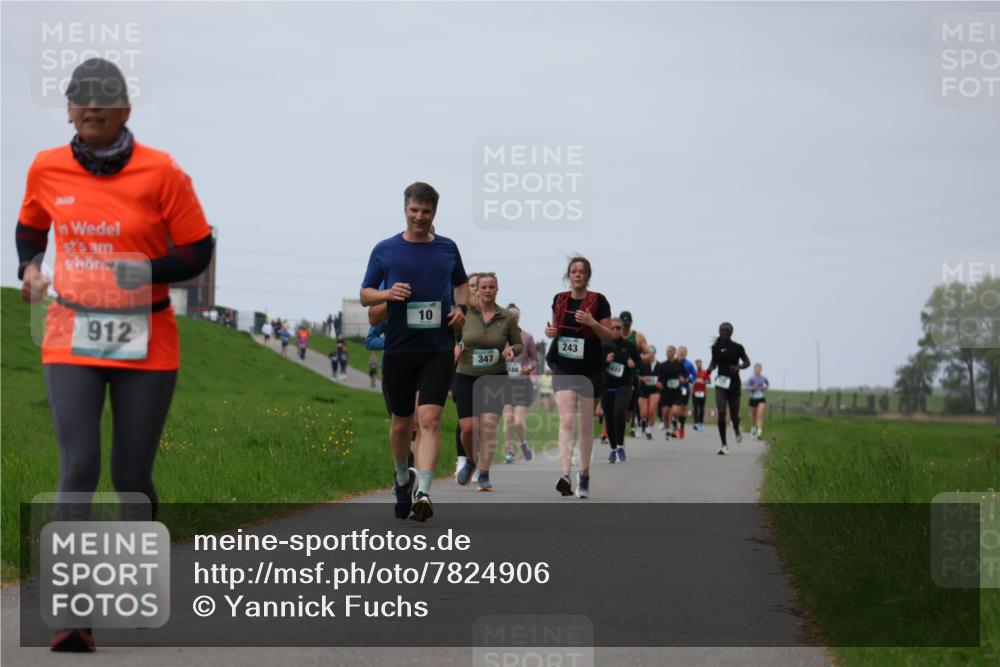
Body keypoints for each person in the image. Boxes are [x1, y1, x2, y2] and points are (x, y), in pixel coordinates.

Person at [15, 58, 214, 652]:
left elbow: (198, 250)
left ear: (126, 110)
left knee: (130, 477)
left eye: (105, 98)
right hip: (70, 331)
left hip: (147, 337)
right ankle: (73, 611)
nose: (91, 107)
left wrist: (147, 269)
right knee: (78, 467)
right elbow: (31, 225)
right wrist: (28, 267)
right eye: (80, 98)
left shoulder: (163, 173)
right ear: (70, 109)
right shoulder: (46, 167)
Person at [360, 182, 468, 521]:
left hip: (437, 347)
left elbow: (462, 284)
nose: (420, 217)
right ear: (405, 209)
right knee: (401, 424)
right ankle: (402, 477)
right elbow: (364, 294)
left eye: (426, 212)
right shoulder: (385, 249)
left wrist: (462, 309)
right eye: (414, 210)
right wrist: (388, 293)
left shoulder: (448, 248)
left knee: (431, 418)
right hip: (399, 348)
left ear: (435, 213)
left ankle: (424, 491)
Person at [544, 256, 613, 499]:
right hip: (563, 366)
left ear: (588, 275)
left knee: (585, 426)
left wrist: (592, 322)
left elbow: (608, 336)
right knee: (567, 421)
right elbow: (556, 328)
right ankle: (565, 474)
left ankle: (584, 475)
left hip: (590, 369)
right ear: (568, 275)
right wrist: (550, 331)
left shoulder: (599, 301)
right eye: (573, 271)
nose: (577, 275)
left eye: (582, 271)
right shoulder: (560, 299)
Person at [452, 274, 522, 490]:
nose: (488, 290)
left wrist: (512, 350)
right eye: (484, 287)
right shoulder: (465, 314)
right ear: (477, 290)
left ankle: (484, 474)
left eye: (492, 287)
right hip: (466, 375)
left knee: (489, 426)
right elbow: (453, 336)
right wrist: (455, 346)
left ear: (497, 289)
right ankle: (471, 461)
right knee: (468, 427)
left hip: (495, 377)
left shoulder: (507, 318)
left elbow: (518, 344)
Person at [707, 322, 751, 455]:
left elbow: (747, 362)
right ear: (719, 331)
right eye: (723, 330)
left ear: (732, 332)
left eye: (728, 330)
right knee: (721, 411)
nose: (725, 332)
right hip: (721, 382)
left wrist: (739, 367)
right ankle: (724, 444)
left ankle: (736, 428)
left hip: (734, 383)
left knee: (734, 415)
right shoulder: (715, 347)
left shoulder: (738, 347)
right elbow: (714, 362)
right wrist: (708, 371)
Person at [602, 318, 641, 462]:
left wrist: (633, 363)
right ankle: (613, 449)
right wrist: (605, 361)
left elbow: (638, 360)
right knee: (609, 417)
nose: (616, 330)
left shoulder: (629, 346)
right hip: (607, 387)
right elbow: (596, 365)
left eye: (618, 328)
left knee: (619, 412)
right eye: (613, 328)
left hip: (624, 385)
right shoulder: (604, 345)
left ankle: (620, 446)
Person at [502, 304, 536, 463]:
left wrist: (528, 368)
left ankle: (522, 442)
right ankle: (509, 450)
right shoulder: (500, 338)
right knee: (508, 419)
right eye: (511, 317)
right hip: (505, 383)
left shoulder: (527, 337)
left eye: (516, 317)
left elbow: (534, 360)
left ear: (519, 318)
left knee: (518, 421)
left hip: (522, 383)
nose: (513, 319)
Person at [618, 311, 650, 437]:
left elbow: (650, 353)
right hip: (615, 374)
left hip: (632, 375)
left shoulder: (638, 337)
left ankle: (628, 422)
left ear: (631, 323)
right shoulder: (614, 334)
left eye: (627, 325)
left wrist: (638, 359)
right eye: (623, 325)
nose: (625, 328)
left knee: (629, 405)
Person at [656, 346, 688, 440]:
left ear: (674, 353)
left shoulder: (680, 364)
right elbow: (658, 379)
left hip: (676, 392)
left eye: (670, 351)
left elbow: (685, 377)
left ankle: (675, 420)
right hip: (665, 391)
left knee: (674, 411)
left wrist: (683, 379)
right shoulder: (662, 365)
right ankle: (668, 430)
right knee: (665, 413)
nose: (668, 353)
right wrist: (658, 384)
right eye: (667, 351)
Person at [677, 346, 697, 439]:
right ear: (677, 352)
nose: (682, 353)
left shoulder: (689, 364)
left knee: (683, 407)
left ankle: (681, 426)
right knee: (675, 407)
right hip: (673, 388)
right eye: (681, 351)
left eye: (684, 352)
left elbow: (695, 375)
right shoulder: (673, 362)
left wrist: (688, 379)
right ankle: (674, 425)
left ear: (686, 353)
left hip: (685, 388)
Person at [747, 363, 770, 439]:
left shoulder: (763, 378)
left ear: (761, 370)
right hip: (753, 399)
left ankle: (759, 432)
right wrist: (752, 387)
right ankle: (753, 430)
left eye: (759, 369)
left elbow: (767, 384)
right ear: (754, 370)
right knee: (754, 417)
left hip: (761, 398)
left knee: (759, 416)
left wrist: (766, 387)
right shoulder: (751, 378)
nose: (758, 370)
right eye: (757, 369)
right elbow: (747, 387)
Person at [691, 358, 711, 431]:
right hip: (695, 392)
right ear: (696, 365)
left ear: (701, 364)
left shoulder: (705, 372)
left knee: (701, 408)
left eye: (699, 363)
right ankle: (696, 423)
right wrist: (694, 381)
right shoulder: (694, 372)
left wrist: (704, 381)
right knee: (695, 408)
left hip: (703, 393)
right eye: (697, 364)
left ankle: (701, 423)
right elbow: (691, 380)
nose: (698, 365)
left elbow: (709, 381)